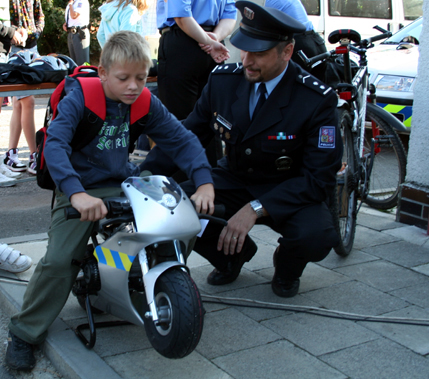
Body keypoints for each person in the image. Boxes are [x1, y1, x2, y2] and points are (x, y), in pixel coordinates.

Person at [5, 30, 215, 371]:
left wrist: (204, 182)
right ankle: (24, 334)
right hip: (78, 186)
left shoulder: (145, 100)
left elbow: (182, 139)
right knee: (59, 262)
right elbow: (55, 146)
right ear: (103, 73)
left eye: (141, 77)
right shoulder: (81, 98)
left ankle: (139, 280)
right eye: (123, 78)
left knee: (174, 218)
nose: (133, 86)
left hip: (121, 182)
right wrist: (76, 193)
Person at [142, 0, 343, 298]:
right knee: (173, 207)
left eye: (259, 53)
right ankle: (231, 256)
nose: (247, 60)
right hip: (234, 178)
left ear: (286, 52)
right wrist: (142, 174)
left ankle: (287, 268)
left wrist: (254, 210)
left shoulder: (315, 99)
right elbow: (185, 138)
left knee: (316, 235)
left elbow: (319, 179)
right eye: (244, 48)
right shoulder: (224, 81)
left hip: (289, 188)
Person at [156, 0, 237, 121]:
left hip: (183, 41)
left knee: (178, 122)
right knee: (211, 119)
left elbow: (181, 15)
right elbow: (229, 14)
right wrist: (214, 39)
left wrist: (210, 41)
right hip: (214, 42)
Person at [3, 0, 44, 175]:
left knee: (20, 104)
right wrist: (15, 33)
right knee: (28, 101)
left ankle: (11, 154)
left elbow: (39, 17)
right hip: (12, 48)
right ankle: (34, 155)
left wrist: (34, 32)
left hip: (31, 48)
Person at [265, 0, 328, 81]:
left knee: (292, 85)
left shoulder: (272, 1)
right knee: (317, 86)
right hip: (315, 40)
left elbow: (268, 28)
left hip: (300, 43)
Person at [63, 0, 90, 65]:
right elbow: (71, 18)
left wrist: (70, 4)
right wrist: (66, 23)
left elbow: (74, 15)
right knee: (73, 64)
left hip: (79, 34)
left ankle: (85, 75)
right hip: (71, 33)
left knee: (82, 63)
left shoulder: (81, 1)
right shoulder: (73, 2)